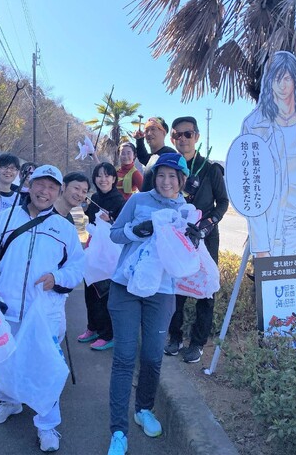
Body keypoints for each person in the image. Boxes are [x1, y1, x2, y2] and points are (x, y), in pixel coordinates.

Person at [0, 165, 85, 453]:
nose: (44, 191)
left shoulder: (65, 228)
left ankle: (47, 424)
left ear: (59, 191)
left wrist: (57, 278)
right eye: (40, 184)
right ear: (29, 185)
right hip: (6, 306)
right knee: (5, 359)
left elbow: (77, 267)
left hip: (43, 312)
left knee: (44, 367)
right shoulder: (5, 218)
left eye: (52, 187)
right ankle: (9, 401)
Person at [106, 153, 192, 455]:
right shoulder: (138, 200)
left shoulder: (185, 210)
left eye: (173, 176)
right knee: (124, 357)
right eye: (161, 175)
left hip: (163, 290)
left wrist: (194, 240)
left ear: (181, 180)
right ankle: (118, 431)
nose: (166, 182)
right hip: (125, 286)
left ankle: (143, 409)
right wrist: (135, 230)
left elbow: (187, 255)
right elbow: (115, 234)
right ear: (154, 176)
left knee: (153, 356)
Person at [241, 51, 296, 257]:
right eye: (276, 78)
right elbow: (253, 191)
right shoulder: (254, 125)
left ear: (295, 81)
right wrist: (261, 245)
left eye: (287, 78)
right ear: (269, 81)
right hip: (278, 229)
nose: (282, 85)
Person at [164, 117, 230, 363]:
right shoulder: (171, 170)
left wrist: (210, 222)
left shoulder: (210, 169)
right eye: (177, 135)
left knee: (206, 289)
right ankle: (175, 337)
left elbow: (222, 202)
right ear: (172, 139)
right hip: (179, 237)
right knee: (175, 286)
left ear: (197, 136)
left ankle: (198, 343)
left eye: (187, 134)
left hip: (205, 236)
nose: (182, 139)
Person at [79, 163, 126, 351]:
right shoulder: (96, 198)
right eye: (99, 176)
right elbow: (91, 221)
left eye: (107, 175)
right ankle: (93, 327)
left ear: (114, 179)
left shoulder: (119, 201)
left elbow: (124, 227)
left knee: (105, 294)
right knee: (90, 290)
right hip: (93, 251)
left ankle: (108, 334)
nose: (103, 179)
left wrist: (111, 220)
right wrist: (85, 208)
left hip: (110, 256)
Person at [132, 116, 175, 191]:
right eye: (146, 130)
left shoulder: (170, 155)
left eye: (153, 129)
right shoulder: (154, 157)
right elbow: (143, 157)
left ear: (164, 132)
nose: (149, 133)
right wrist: (139, 140)